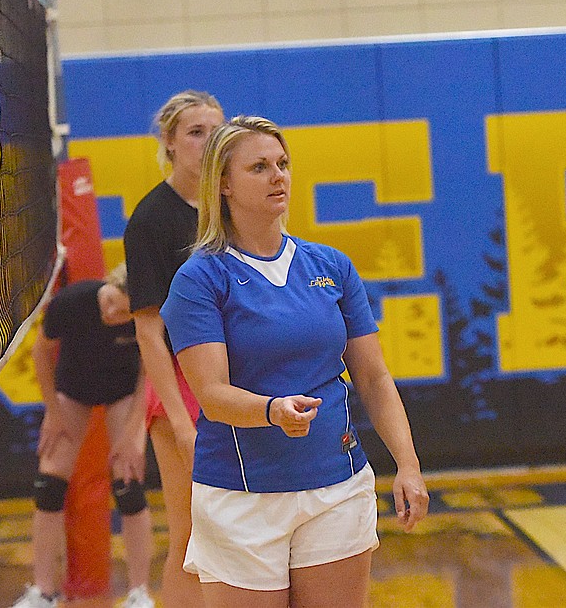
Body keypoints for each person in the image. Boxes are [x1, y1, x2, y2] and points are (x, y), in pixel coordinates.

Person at [159, 115, 429, 608]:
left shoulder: (330, 266)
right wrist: (272, 411)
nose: (278, 176)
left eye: (282, 164)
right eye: (259, 167)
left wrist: (407, 464)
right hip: (242, 496)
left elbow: (373, 376)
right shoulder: (199, 280)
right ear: (223, 183)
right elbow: (213, 397)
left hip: (337, 486)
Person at [123, 90, 225, 607]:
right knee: (191, 535)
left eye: (215, 130)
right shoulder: (150, 221)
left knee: (243, 532)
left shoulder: (232, 205)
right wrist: (181, 423)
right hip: (181, 386)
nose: (209, 142)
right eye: (195, 132)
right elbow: (148, 331)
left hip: (233, 377)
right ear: (168, 143)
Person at [11, 264, 154, 608]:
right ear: (107, 286)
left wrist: (135, 431)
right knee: (48, 486)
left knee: (129, 487)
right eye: (111, 303)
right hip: (72, 391)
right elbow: (41, 352)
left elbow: (150, 369)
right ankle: (43, 592)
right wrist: (53, 412)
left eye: (123, 312)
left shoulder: (145, 315)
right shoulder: (71, 302)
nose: (114, 313)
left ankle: (139, 594)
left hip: (122, 393)